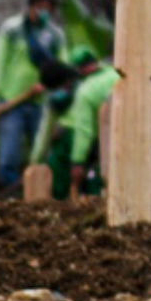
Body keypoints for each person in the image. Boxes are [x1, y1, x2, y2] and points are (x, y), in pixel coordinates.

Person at [0, 0, 66, 195]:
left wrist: (52, 87)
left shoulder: (55, 36)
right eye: (44, 6)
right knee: (8, 159)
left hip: (41, 103)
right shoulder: (12, 29)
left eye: (50, 8)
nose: (47, 11)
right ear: (34, 5)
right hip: (12, 102)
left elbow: (62, 66)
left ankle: (38, 197)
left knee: (40, 157)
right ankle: (15, 197)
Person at [38, 46, 116, 200]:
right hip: (113, 137)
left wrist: (77, 162)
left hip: (86, 140)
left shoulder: (86, 91)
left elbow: (84, 130)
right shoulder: (113, 74)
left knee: (86, 177)